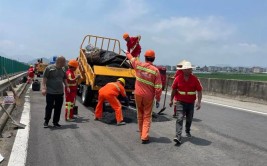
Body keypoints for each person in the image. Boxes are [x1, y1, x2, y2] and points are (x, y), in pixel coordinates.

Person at [125, 49, 162, 144]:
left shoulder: (139, 65)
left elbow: (131, 59)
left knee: (140, 114)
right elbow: (158, 87)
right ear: (153, 59)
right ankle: (144, 136)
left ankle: (142, 133)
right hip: (148, 97)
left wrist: (127, 53)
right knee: (147, 116)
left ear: (145, 58)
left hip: (138, 94)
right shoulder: (155, 71)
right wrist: (158, 99)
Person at [169, 61, 203, 144]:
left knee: (189, 119)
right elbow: (173, 89)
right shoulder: (178, 78)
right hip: (180, 102)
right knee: (179, 118)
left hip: (190, 103)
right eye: (186, 69)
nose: (188, 71)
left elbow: (199, 90)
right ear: (183, 70)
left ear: (191, 70)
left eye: (189, 69)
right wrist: (171, 100)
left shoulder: (195, 79)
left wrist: (199, 102)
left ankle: (187, 131)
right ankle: (178, 136)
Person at [42, 56, 68, 128]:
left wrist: (67, 86)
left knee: (58, 108)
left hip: (60, 92)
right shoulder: (49, 68)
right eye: (64, 62)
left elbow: (64, 78)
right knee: (49, 107)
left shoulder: (63, 69)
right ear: (59, 62)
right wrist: (43, 88)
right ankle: (46, 121)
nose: (65, 63)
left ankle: (56, 122)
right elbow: (44, 78)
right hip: (50, 92)